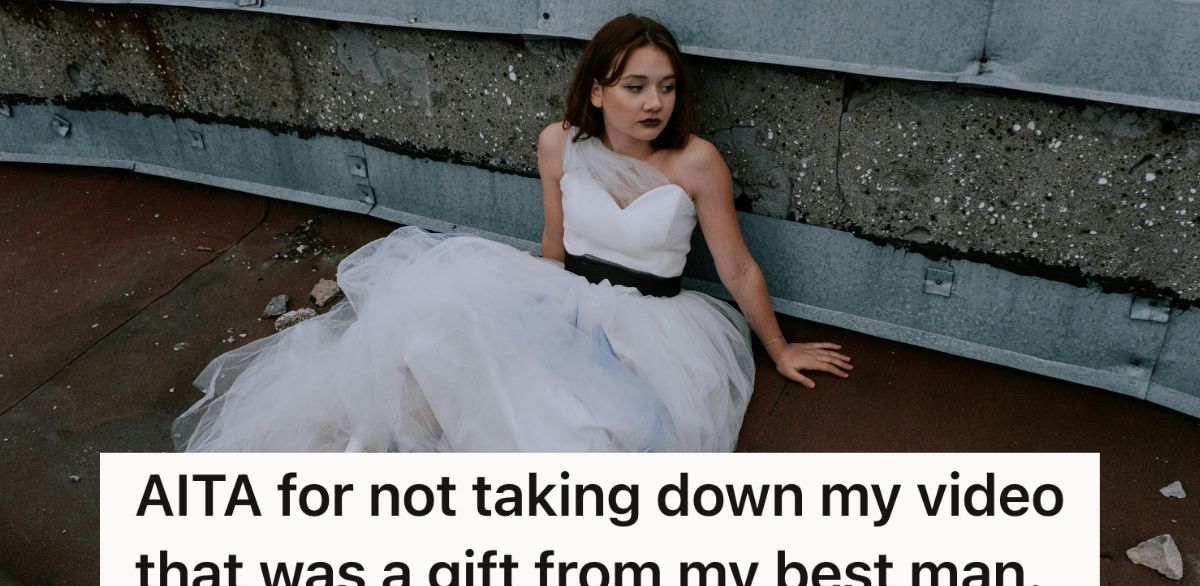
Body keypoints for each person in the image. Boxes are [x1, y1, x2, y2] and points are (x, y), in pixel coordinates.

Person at [173, 14, 851, 453]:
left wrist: (778, 347)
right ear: (597, 91)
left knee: (602, 437)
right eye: (635, 86)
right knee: (436, 349)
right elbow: (553, 242)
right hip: (566, 291)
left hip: (654, 324)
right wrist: (531, 317)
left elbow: (736, 268)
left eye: (667, 87)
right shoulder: (560, 143)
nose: (654, 103)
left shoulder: (696, 161)